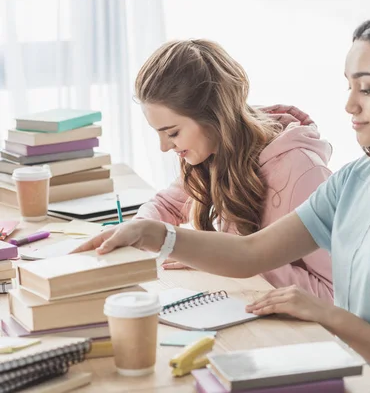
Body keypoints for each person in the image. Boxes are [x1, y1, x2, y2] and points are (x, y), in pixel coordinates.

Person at [75, 12, 370, 393]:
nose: (349, 104)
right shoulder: (357, 179)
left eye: (366, 88)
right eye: (348, 86)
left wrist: (329, 316)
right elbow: (251, 253)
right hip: (346, 373)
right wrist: (155, 234)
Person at [130, 39, 334, 301]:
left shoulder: (303, 171)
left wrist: (226, 258)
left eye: (172, 132)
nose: (163, 147)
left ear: (213, 116)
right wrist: (133, 232)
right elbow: (166, 205)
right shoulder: (210, 152)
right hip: (246, 304)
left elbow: (334, 294)